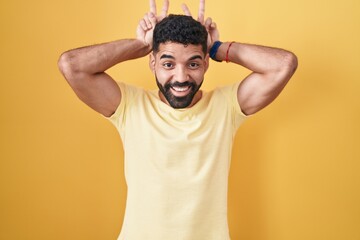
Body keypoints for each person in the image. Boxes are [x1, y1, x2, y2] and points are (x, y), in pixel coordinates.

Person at [58, 0, 298, 239]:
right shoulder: (129, 106)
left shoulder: (226, 107)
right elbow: (72, 65)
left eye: (193, 63)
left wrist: (216, 48)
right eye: (168, 63)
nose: (181, 77)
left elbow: (283, 64)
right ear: (153, 63)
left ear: (205, 64)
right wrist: (141, 45)